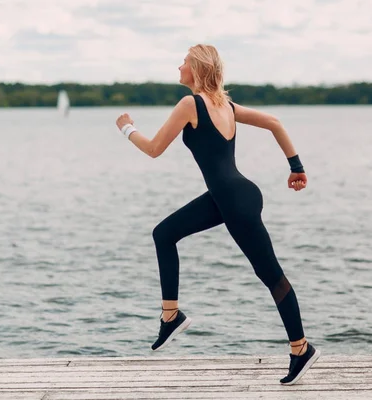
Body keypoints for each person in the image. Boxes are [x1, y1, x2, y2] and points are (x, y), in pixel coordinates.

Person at [115, 44, 320, 385]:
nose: (179, 65)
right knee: (163, 234)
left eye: (184, 61)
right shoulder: (225, 105)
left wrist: (126, 127)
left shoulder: (191, 104)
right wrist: (295, 166)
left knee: (271, 275)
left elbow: (153, 149)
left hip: (235, 201)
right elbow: (274, 122)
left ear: (195, 69)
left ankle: (301, 349)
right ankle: (170, 316)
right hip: (230, 197)